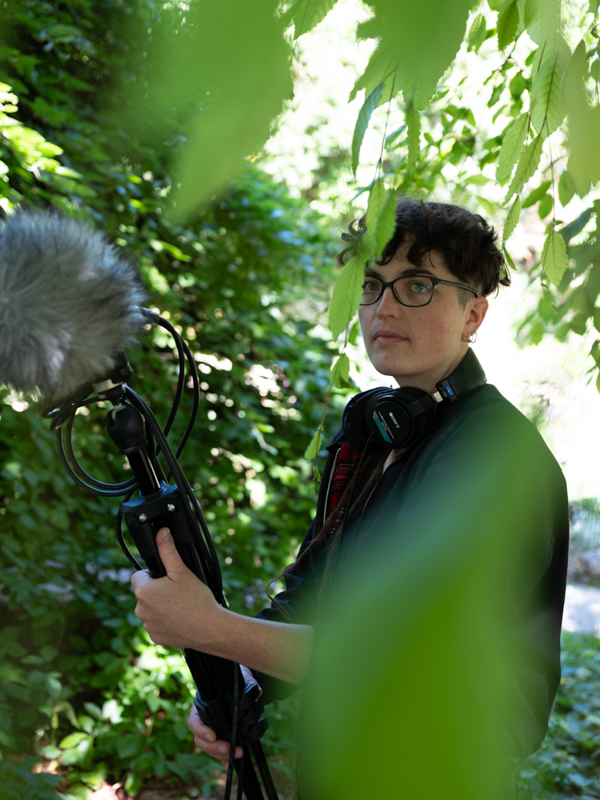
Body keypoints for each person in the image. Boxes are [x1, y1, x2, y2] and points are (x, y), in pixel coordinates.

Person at [131, 200, 569, 792]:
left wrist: (210, 628)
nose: (384, 307)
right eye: (371, 285)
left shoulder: (492, 456)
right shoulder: (374, 436)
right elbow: (318, 592)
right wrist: (241, 678)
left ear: (474, 313)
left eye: (417, 284)